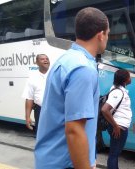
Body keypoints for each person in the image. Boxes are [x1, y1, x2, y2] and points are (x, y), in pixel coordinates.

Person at [34, 7, 109, 169]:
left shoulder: (65, 61)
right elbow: (74, 130)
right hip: (65, 164)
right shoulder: (83, 69)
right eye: (108, 34)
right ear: (101, 35)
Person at [101, 69, 132, 169]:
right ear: (125, 80)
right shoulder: (118, 92)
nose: (130, 78)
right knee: (114, 154)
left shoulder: (116, 89)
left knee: (115, 153)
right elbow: (105, 109)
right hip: (119, 127)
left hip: (119, 126)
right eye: (129, 76)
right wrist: (115, 126)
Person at [22, 54, 50, 134]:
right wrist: (27, 117)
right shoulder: (32, 78)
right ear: (36, 63)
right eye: (42, 59)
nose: (45, 60)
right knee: (41, 134)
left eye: (47, 58)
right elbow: (29, 98)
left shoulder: (55, 74)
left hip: (55, 110)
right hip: (39, 110)